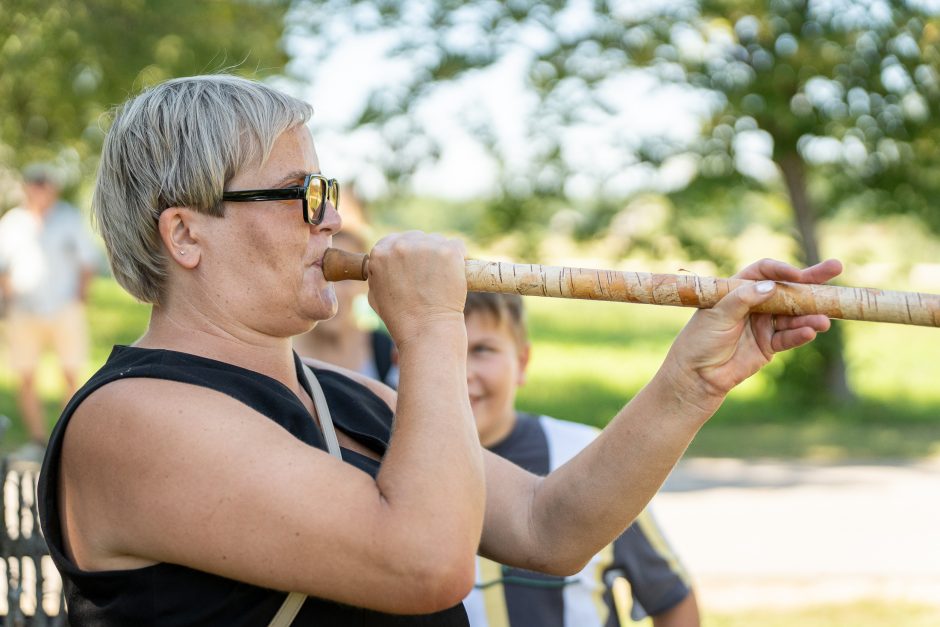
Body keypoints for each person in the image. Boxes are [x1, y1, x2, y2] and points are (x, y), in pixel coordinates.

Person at [36, 74, 841, 626]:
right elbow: (424, 564)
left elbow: (548, 526)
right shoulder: (132, 419)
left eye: (330, 191)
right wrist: (429, 328)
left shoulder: (338, 392)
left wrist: (692, 381)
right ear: (185, 233)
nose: (330, 220)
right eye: (301, 195)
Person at [461, 292, 698, 627]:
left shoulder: (583, 452)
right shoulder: (383, 461)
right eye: (444, 350)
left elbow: (670, 596)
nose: (461, 371)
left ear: (522, 362)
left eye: (482, 350)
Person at [0, 163, 99, 450]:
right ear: (26, 187)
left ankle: (66, 435)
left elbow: (87, 262)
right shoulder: (12, 222)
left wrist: (80, 298)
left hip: (63, 308)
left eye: (44, 183)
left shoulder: (68, 218)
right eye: (34, 182)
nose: (39, 188)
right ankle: (37, 439)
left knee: (70, 372)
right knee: (25, 374)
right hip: (23, 310)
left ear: (53, 187)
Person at [293, 230, 399, 388]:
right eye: (320, 273)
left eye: (345, 277)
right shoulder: (283, 360)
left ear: (364, 283)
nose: (333, 289)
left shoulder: (387, 353)